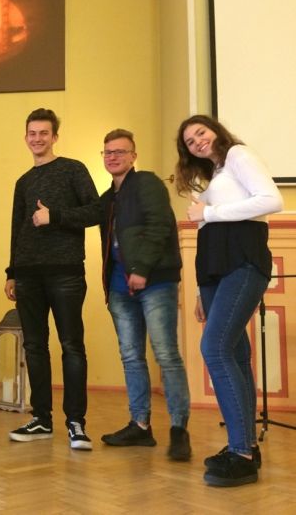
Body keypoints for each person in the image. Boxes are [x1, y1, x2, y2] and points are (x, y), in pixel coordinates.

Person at [175, 114, 283, 487]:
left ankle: (241, 454)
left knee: (215, 349)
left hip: (243, 261)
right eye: (189, 141)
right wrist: (200, 290)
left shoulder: (238, 154)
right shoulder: (218, 174)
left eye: (200, 133)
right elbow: (210, 230)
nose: (197, 142)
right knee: (235, 355)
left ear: (215, 131)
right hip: (215, 270)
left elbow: (271, 200)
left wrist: (208, 211)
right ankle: (245, 446)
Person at [4, 108, 99, 450]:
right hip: (28, 275)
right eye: (32, 133)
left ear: (55, 136)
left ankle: (76, 423)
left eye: (44, 133)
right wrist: (12, 272)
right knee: (34, 346)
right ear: (25, 137)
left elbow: (96, 211)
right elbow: (17, 228)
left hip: (66, 272)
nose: (37, 138)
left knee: (71, 345)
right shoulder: (23, 182)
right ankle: (41, 419)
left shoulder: (73, 169)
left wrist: (54, 216)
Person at [97, 128, 191, 460]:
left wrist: (141, 269)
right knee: (131, 356)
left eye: (120, 152)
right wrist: (53, 215)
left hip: (155, 282)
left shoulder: (147, 183)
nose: (113, 157)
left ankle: (179, 430)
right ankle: (140, 425)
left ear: (133, 156)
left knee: (166, 354)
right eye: (108, 152)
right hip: (119, 287)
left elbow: (159, 225)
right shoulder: (108, 198)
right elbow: (84, 216)